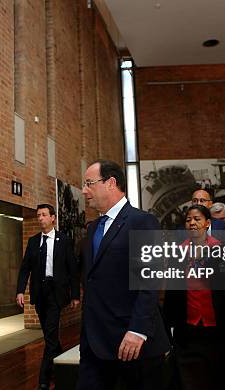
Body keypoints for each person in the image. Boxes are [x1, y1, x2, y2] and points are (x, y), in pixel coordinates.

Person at [77, 160, 169, 390]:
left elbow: (150, 280)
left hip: (132, 344)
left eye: (89, 183)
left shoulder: (142, 222)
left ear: (111, 183)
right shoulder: (93, 228)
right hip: (94, 344)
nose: (84, 190)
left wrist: (138, 330)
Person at [168, 205, 225, 390]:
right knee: (189, 375)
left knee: (219, 372)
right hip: (188, 322)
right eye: (188, 220)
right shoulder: (178, 251)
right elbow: (173, 289)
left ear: (207, 223)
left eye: (197, 219)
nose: (192, 223)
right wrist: (169, 323)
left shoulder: (222, 249)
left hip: (218, 321)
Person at [16, 204, 80, 390]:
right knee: (50, 335)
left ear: (53, 218)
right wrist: (20, 290)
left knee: (50, 334)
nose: (40, 218)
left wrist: (75, 294)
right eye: (38, 215)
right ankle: (60, 364)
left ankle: (44, 378)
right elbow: (25, 268)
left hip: (56, 293)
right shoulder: (34, 241)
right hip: (39, 293)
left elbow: (72, 269)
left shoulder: (64, 240)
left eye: (44, 215)